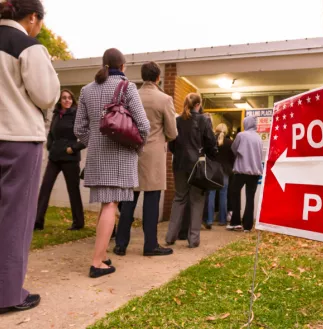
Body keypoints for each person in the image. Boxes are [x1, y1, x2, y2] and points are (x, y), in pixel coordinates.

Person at [0, 0, 60, 314]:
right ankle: (8, 293)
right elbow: (47, 94)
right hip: (19, 138)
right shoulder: (28, 46)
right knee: (16, 218)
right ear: (33, 17)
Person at [74, 48, 150, 278]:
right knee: (111, 205)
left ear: (104, 64)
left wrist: (95, 142)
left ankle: (102, 253)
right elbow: (144, 126)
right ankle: (97, 263)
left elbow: (79, 129)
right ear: (123, 66)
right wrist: (136, 146)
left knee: (105, 204)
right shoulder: (127, 87)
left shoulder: (86, 90)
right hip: (120, 156)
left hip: (97, 157)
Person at [114, 61, 177, 257]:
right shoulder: (165, 99)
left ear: (143, 76)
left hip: (132, 151)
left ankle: (120, 244)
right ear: (158, 77)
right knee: (151, 201)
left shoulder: (130, 96)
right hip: (154, 154)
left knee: (128, 200)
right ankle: (150, 245)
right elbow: (172, 132)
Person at [165, 93, 217, 248]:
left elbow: (171, 145)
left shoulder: (178, 121)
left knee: (179, 198)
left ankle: (170, 236)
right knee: (197, 201)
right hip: (198, 166)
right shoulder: (204, 120)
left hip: (180, 165)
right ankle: (193, 239)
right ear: (198, 105)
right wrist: (211, 156)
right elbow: (211, 143)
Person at [34, 90, 86, 231]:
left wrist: (73, 148)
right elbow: (51, 133)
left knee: (73, 190)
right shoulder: (56, 114)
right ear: (60, 101)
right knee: (45, 187)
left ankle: (78, 222)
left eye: (69, 98)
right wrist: (51, 146)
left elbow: (87, 135)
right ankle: (38, 221)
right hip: (54, 157)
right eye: (64, 98)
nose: (67, 100)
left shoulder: (77, 114)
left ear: (73, 100)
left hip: (70, 158)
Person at [227, 116, 263, 232]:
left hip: (241, 170)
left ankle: (235, 222)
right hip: (255, 172)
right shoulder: (258, 138)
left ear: (246, 123)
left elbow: (233, 148)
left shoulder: (241, 135)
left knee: (234, 193)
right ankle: (247, 226)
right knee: (250, 197)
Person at [204, 124, 235, 229]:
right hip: (225, 171)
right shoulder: (230, 142)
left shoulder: (211, 141)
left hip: (213, 171)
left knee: (211, 194)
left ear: (216, 130)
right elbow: (233, 158)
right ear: (226, 131)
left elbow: (207, 155)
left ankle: (209, 220)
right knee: (223, 195)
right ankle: (222, 220)